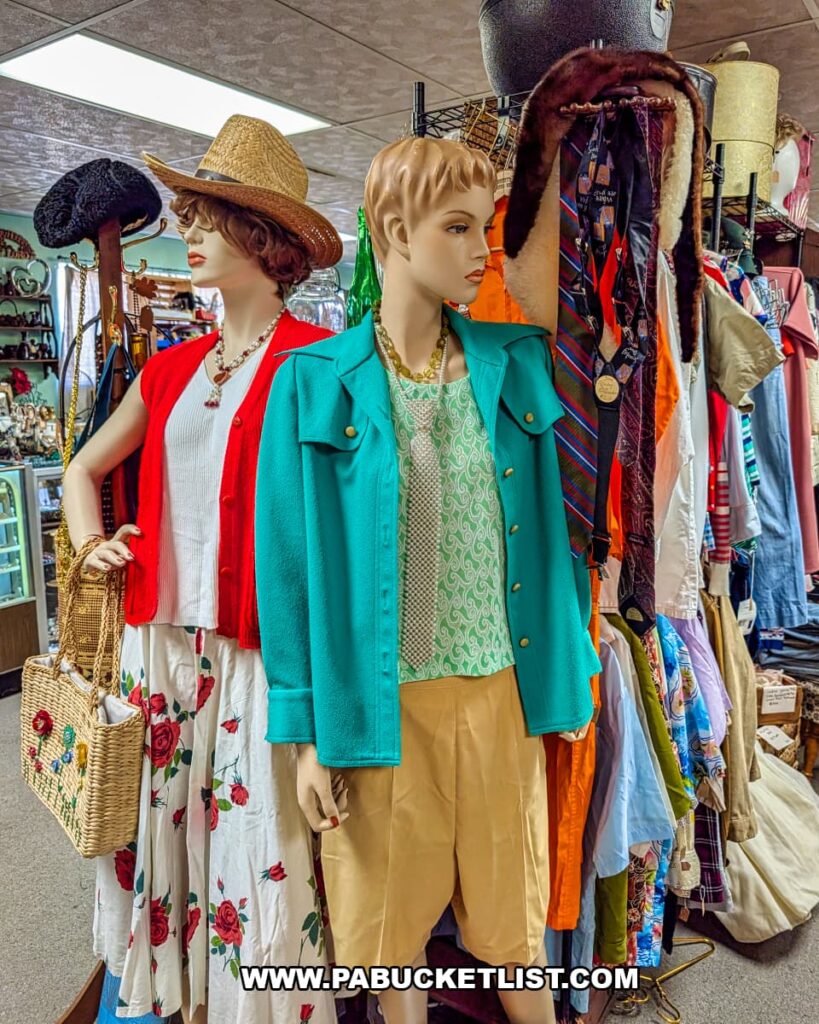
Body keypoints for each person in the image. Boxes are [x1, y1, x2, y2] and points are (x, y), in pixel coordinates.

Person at [256, 136, 600, 1024]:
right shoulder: (312, 383)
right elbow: (286, 571)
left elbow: (560, 530)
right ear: (391, 231)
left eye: (483, 226)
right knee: (391, 934)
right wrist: (300, 738)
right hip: (378, 706)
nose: (479, 249)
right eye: (457, 226)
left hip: (498, 690)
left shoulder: (517, 361)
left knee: (514, 929)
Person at [63, 115, 342, 1024]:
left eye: (203, 217)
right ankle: (177, 999)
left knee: (258, 847)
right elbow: (82, 469)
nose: (185, 233)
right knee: (164, 840)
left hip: (258, 653)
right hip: (161, 645)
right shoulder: (168, 367)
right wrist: (90, 539)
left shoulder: (321, 363)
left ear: (259, 238)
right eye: (187, 214)